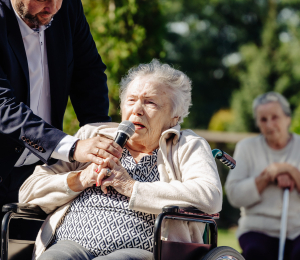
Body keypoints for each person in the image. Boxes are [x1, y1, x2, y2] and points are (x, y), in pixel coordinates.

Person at [20, 60, 222, 260]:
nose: (137, 110)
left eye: (150, 102)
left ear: (175, 117)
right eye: (131, 100)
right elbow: (29, 190)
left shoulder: (187, 145)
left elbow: (209, 195)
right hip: (70, 243)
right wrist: (81, 178)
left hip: (143, 251)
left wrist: (131, 187)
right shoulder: (92, 135)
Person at [0, 0, 123, 218]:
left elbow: (89, 76)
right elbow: (3, 107)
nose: (53, 7)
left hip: (40, 174)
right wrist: (73, 147)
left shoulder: (69, 8)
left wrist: (100, 143)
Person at [225, 92, 300, 260]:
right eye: (263, 119)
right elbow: (234, 195)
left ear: (287, 118)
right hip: (257, 229)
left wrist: (290, 171)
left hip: (297, 230)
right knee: (256, 252)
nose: (269, 124)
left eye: (275, 117)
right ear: (258, 123)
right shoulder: (246, 147)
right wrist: (266, 177)